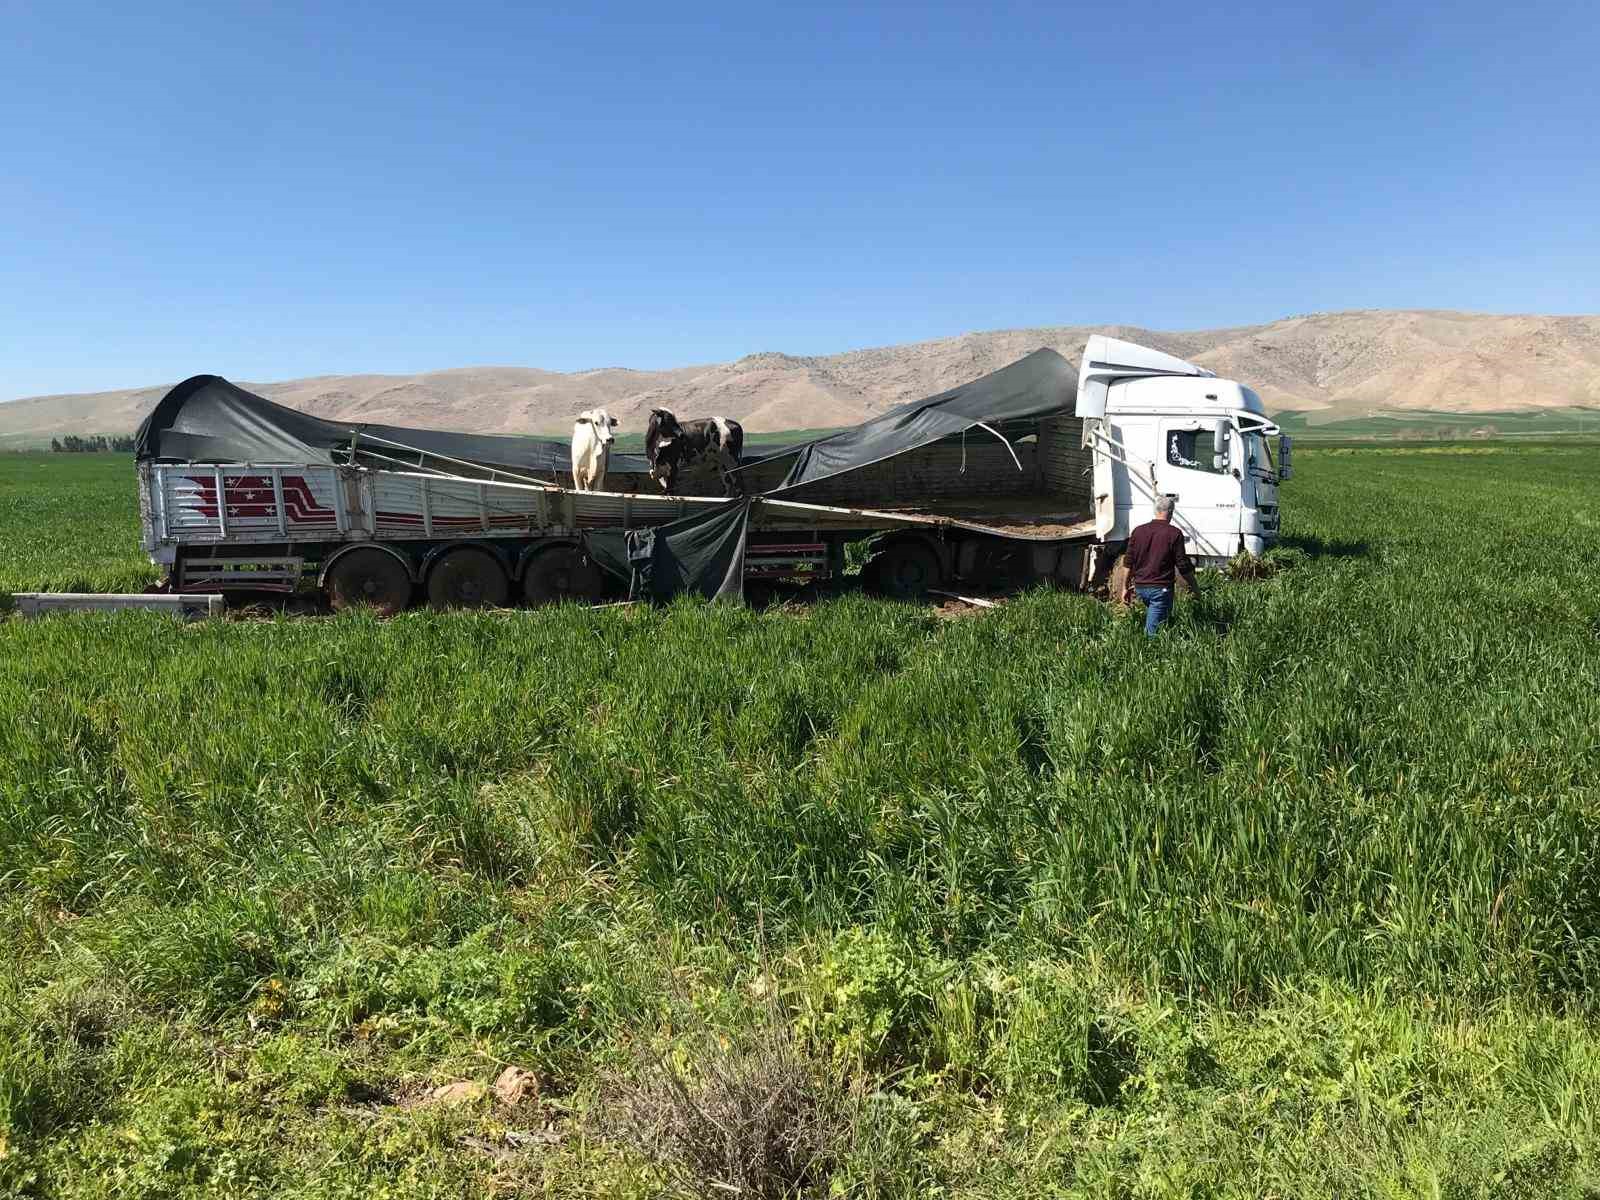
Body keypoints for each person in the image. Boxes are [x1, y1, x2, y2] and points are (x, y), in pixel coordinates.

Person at [1120, 495, 1198, 636]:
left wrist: (1124, 587)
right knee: (1152, 634)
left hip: (1140, 588)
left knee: (1163, 624)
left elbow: (1128, 562)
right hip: (1160, 590)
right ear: (1171, 512)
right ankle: (1149, 655)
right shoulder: (1174, 533)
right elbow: (1183, 565)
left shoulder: (1138, 531)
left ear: (1155, 510)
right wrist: (1194, 586)